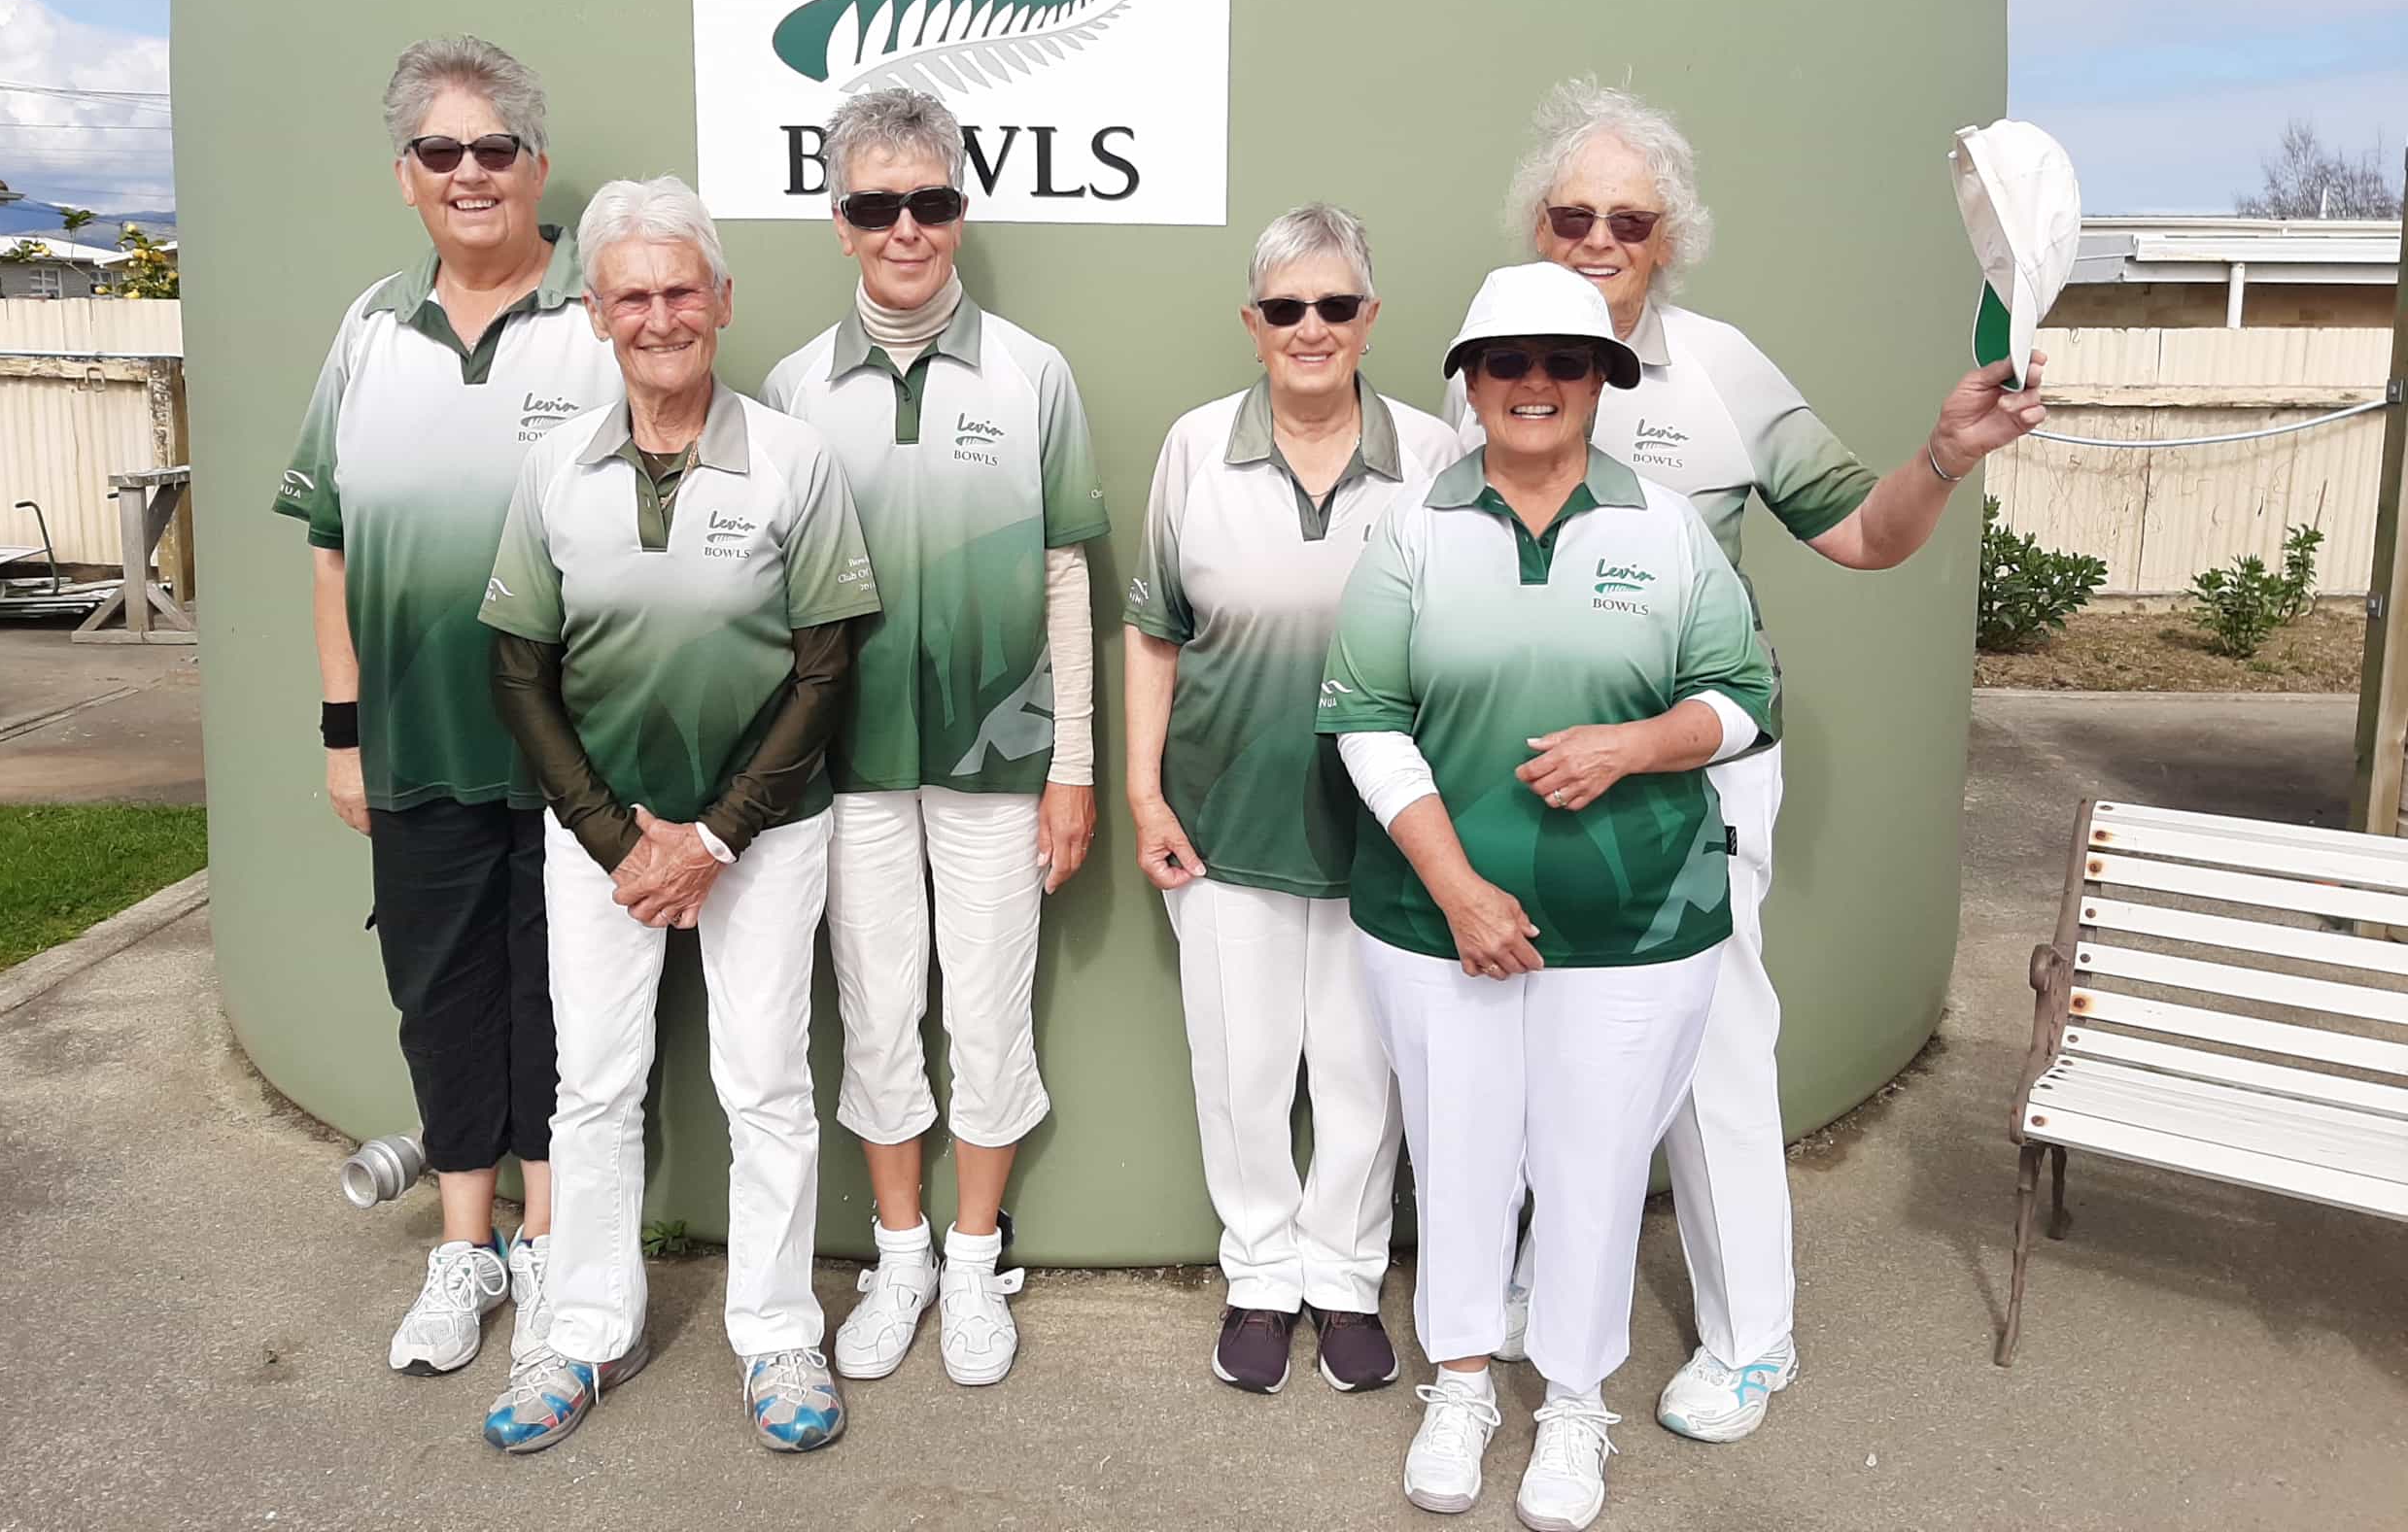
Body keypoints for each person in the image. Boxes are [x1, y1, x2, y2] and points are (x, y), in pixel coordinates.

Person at [1468, 80, 2047, 1445]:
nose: (1598, 239)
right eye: (1574, 215)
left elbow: (1864, 536)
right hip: (1541, 770)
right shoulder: (1487, 359)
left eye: (1629, 221)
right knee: (1554, 1032)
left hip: (1698, 771)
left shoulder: (1721, 370)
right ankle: (1553, 1273)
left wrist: (1941, 457)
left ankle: (1750, 1341)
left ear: (1667, 241)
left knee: (1712, 1041)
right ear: (1538, 228)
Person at [1321, 262, 1774, 1529]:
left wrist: (1635, 745)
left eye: (1565, 362)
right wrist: (1458, 888)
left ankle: (1574, 1404)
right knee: (1459, 1157)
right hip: (1436, 924)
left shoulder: (1666, 529)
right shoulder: (1412, 530)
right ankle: (1462, 1385)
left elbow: (1745, 699)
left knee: (1594, 1169)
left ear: (1601, 381)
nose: (1534, 384)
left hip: (1638, 929)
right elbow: (1365, 718)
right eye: (1506, 362)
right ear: (1469, 383)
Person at [474, 177, 880, 1453]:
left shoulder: (796, 461)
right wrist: (620, 840)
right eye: (633, 296)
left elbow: (826, 671)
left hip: (764, 831)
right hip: (599, 835)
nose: (660, 317)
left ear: (723, 300)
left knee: (765, 1084)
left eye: (681, 290)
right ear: (597, 315)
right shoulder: (554, 467)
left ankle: (776, 1336)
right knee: (593, 1086)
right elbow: (519, 674)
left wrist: (711, 838)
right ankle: (587, 1331)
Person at [274, 36, 620, 1378]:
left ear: (536, 166)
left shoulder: (601, 321)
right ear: (404, 176)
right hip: (413, 743)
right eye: (440, 150)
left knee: (558, 1004)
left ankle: (547, 1243)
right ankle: (464, 1247)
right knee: (439, 998)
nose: (469, 173)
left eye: (494, 148)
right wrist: (343, 735)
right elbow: (331, 551)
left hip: (573, 753)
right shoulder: (370, 332)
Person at [760, 86, 1108, 1387]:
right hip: (846, 763)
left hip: (998, 760)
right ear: (840, 221)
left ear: (960, 210)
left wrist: (1073, 764)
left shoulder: (1033, 375)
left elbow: (1065, 572)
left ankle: (973, 1259)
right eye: (875, 205)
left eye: (930, 201)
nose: (904, 228)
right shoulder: (794, 387)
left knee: (992, 1010)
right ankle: (898, 1252)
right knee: (876, 1008)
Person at [1122, 204, 1459, 1396]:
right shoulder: (1194, 449)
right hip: (1224, 819)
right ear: (1252, 322)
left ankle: (1347, 1279)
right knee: (1242, 1069)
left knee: (1365, 1075)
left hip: (1387, 828)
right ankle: (1261, 1275)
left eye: (1334, 305)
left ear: (1369, 318)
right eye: (1284, 308)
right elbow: (1154, 630)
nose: (1309, 327)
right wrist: (1143, 792)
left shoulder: (1434, 456)